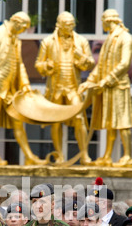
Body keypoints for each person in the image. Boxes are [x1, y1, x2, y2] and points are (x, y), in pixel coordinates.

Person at [0, 11, 45, 166]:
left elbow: (19, 65)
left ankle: (29, 156)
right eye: (22, 28)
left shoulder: (16, 40)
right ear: (16, 22)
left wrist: (25, 85)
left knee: (18, 121)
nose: (22, 31)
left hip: (10, 89)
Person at [35, 11, 95, 164]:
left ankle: (84, 154)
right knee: (56, 121)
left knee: (79, 119)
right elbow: (38, 64)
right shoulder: (48, 42)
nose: (70, 27)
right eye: (67, 24)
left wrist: (80, 57)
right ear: (59, 25)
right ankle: (60, 155)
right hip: (55, 88)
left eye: (72, 24)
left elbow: (90, 62)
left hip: (73, 88)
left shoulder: (81, 41)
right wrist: (46, 66)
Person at [78, 9, 132, 168]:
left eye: (102, 21)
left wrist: (106, 80)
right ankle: (107, 156)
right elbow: (100, 66)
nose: (102, 24)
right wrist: (89, 81)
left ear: (108, 20)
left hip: (118, 86)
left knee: (123, 122)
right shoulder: (110, 39)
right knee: (111, 122)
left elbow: (125, 64)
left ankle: (127, 157)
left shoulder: (125, 38)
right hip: (107, 88)